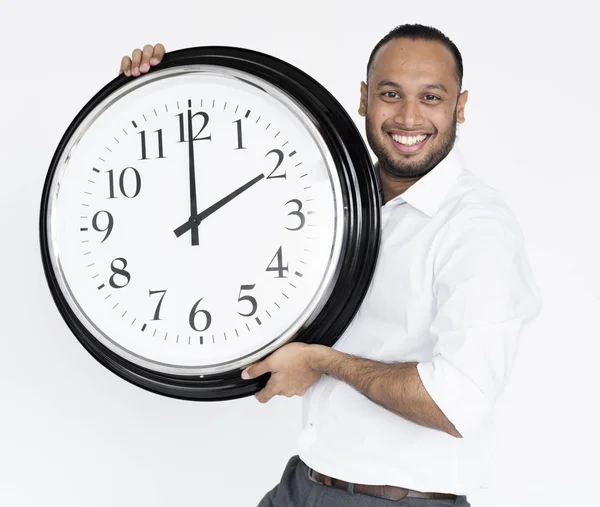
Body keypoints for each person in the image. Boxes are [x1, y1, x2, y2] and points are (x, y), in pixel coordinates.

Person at [120, 24, 541, 506]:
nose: (407, 116)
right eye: (390, 93)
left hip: (397, 500)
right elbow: (227, 197)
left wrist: (321, 362)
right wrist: (148, 91)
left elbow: (455, 401)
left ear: (459, 107)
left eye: (430, 97)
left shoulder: (476, 228)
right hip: (306, 483)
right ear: (364, 98)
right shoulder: (337, 202)